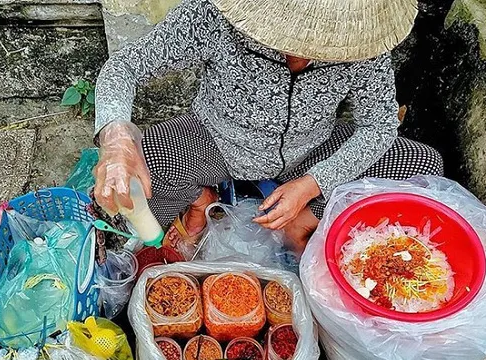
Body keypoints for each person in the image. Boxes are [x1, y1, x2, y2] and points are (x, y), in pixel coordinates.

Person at [93, 0, 443, 255]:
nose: (301, 57)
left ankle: (303, 220)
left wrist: (312, 186)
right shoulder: (213, 16)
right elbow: (124, 67)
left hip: (312, 151)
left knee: (422, 164)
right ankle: (201, 200)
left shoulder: (363, 42)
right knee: (131, 191)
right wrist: (117, 138)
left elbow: (380, 126)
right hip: (217, 143)